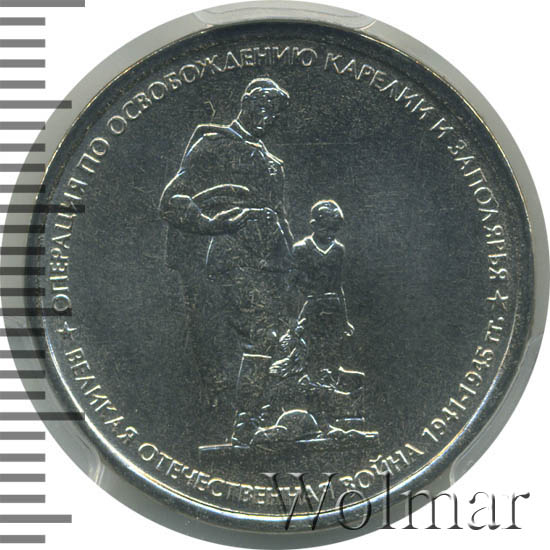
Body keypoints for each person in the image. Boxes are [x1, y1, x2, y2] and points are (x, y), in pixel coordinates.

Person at [159, 78, 293, 438]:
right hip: (228, 254)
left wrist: (292, 262)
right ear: (247, 102)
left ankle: (254, 418)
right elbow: (171, 200)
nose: (269, 117)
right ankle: (244, 422)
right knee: (258, 335)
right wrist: (209, 223)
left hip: (271, 260)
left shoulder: (272, 163)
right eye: (264, 107)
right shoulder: (213, 145)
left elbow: (280, 215)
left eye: (275, 112)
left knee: (276, 337)